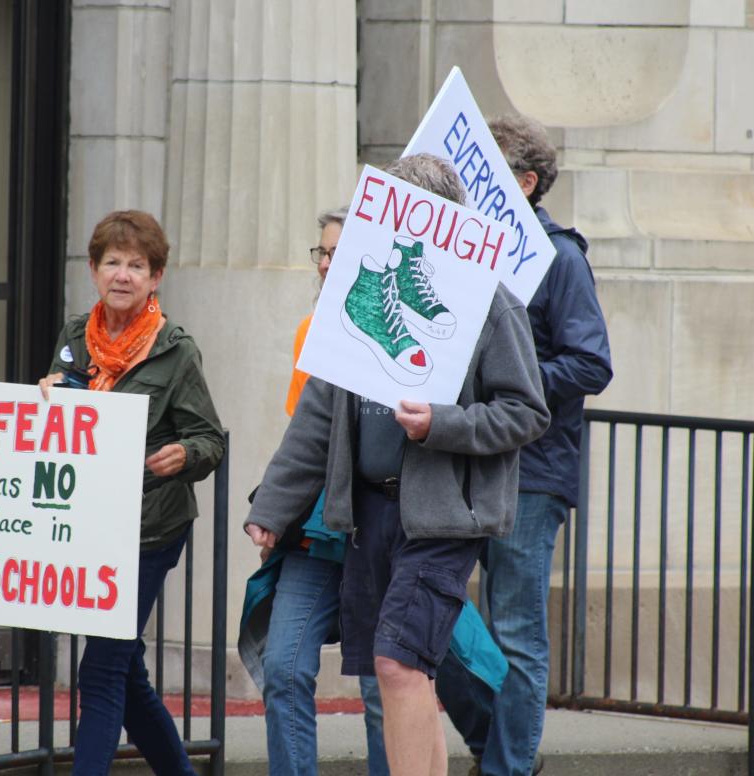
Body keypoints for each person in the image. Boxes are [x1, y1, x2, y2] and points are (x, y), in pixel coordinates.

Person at [245, 153, 551, 776]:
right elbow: (317, 420)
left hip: (442, 521)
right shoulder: (360, 296)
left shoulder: (490, 304)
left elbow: (526, 412)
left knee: (399, 665)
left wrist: (443, 424)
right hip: (367, 515)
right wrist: (273, 507)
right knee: (399, 674)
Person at [436, 114, 613, 776]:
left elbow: (590, 364)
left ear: (527, 182)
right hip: (455, 461)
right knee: (425, 613)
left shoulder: (560, 257)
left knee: (515, 631)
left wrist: (507, 380)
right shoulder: (461, 249)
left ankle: (506, 765)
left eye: (487, 166)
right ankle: (500, 750)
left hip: (528, 472)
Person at [39, 209, 225, 776]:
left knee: (99, 671)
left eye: (136, 265)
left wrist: (185, 455)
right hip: (90, 526)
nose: (123, 274)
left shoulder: (175, 349)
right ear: (94, 271)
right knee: (124, 669)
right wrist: (46, 392)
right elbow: (60, 426)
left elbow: (209, 439)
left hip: (149, 530)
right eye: (113, 262)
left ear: (155, 276)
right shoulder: (76, 336)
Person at [239, 208, 390, 776]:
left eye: (338, 252)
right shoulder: (313, 331)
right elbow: (304, 437)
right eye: (321, 253)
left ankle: (500, 748)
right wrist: (274, 511)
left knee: (386, 686)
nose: (326, 264)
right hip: (319, 532)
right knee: (284, 667)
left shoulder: (394, 325)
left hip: (382, 531)